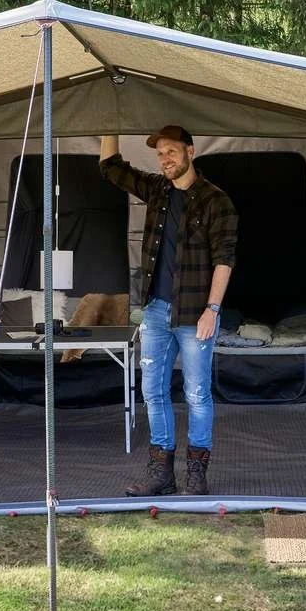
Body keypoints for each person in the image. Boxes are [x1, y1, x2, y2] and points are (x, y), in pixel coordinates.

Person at [100, 126, 237, 497]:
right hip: (156, 312)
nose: (165, 160)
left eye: (172, 152)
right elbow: (111, 168)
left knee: (196, 394)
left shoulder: (215, 200)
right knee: (153, 392)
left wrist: (213, 309)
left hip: (197, 314)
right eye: (160, 154)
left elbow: (225, 259)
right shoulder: (157, 190)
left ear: (190, 152)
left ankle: (196, 473)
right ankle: (161, 473)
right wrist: (106, 117)